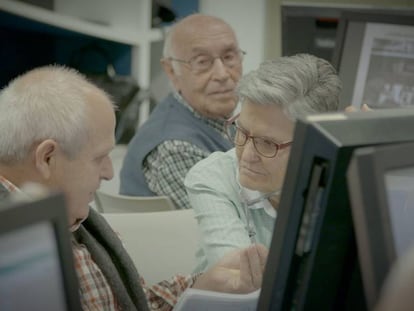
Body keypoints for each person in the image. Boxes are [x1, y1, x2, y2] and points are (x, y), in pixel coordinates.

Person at [0, 65, 268, 311]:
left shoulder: (68, 219)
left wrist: (205, 285)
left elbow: (135, 301)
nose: (109, 172)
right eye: (99, 158)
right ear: (47, 158)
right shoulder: (14, 245)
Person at [184, 53, 342, 272]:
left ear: (313, 144)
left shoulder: (343, 180)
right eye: (241, 131)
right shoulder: (213, 177)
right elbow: (242, 281)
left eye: (267, 143)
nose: (246, 155)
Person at [120, 13, 244, 209]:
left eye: (229, 57)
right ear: (171, 71)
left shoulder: (223, 120)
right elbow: (227, 227)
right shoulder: (175, 147)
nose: (222, 74)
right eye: (202, 62)